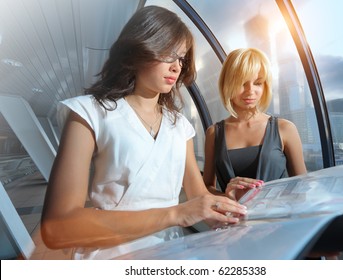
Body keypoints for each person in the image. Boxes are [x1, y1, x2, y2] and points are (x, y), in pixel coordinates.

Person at [40, 6, 246, 259]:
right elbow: (57, 227)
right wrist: (175, 214)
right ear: (139, 49)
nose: (176, 67)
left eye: (181, 58)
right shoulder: (89, 113)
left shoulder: (179, 125)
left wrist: (226, 199)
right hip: (111, 255)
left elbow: (198, 194)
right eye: (168, 54)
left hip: (171, 253)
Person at [203, 48, 307, 202]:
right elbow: (206, 188)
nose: (250, 91)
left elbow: (302, 185)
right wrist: (228, 196)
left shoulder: (285, 129)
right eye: (242, 83)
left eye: (258, 83)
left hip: (278, 220)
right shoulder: (214, 133)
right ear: (228, 84)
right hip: (234, 223)